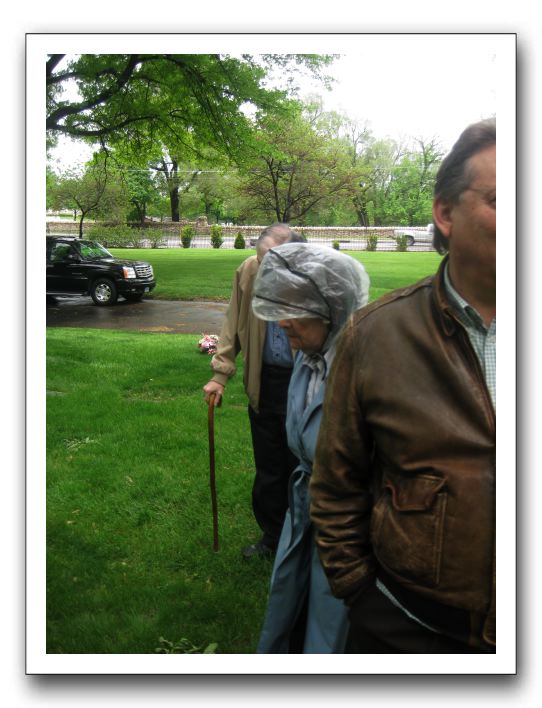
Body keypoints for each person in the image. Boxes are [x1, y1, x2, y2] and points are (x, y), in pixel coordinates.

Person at [310, 118, 497, 654]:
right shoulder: (376, 335)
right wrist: (361, 593)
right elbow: (335, 485)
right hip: (407, 629)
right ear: (445, 213)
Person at [251, 242, 370, 653]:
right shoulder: (307, 355)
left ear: (332, 309)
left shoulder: (364, 369)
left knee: (332, 624)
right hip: (306, 508)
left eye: (293, 310)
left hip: (348, 527)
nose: (281, 323)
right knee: (291, 605)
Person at [203, 224, 305, 559]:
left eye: (272, 262)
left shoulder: (315, 274)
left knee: (303, 467)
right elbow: (233, 321)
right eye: (262, 261)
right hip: (265, 381)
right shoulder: (249, 269)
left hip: (307, 383)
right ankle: (273, 537)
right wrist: (220, 374)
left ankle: (306, 540)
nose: (265, 268)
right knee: (269, 467)